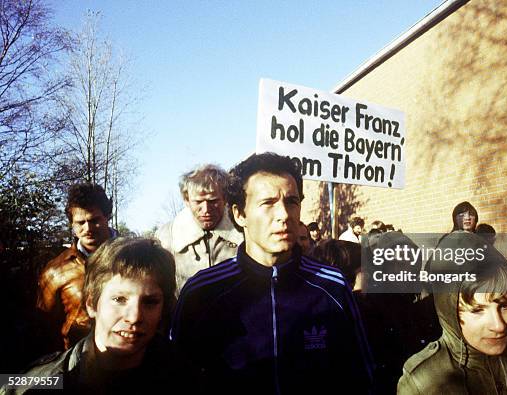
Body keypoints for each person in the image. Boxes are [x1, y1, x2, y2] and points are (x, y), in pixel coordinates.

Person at [170, 152, 373, 394]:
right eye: (268, 203)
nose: (284, 215)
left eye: (292, 201)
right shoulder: (201, 293)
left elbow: (362, 377)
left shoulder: (332, 286)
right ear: (239, 214)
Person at [3, 238, 187, 394]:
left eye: (150, 302)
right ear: (91, 304)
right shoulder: (37, 384)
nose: (134, 316)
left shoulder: (186, 378)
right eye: (119, 299)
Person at [398, 232, 507, 394]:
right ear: (448, 309)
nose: (498, 325)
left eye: (505, 305)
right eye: (477, 310)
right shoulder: (422, 382)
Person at [37, 183, 114, 350]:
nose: (88, 229)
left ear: (107, 216)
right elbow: (44, 328)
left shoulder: (136, 257)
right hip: (78, 362)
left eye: (95, 220)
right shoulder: (56, 271)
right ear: (72, 224)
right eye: (80, 222)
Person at [156, 164, 243, 293]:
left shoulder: (246, 233)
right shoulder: (166, 238)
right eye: (198, 202)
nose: (206, 210)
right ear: (186, 200)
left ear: (225, 198)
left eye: (213, 201)